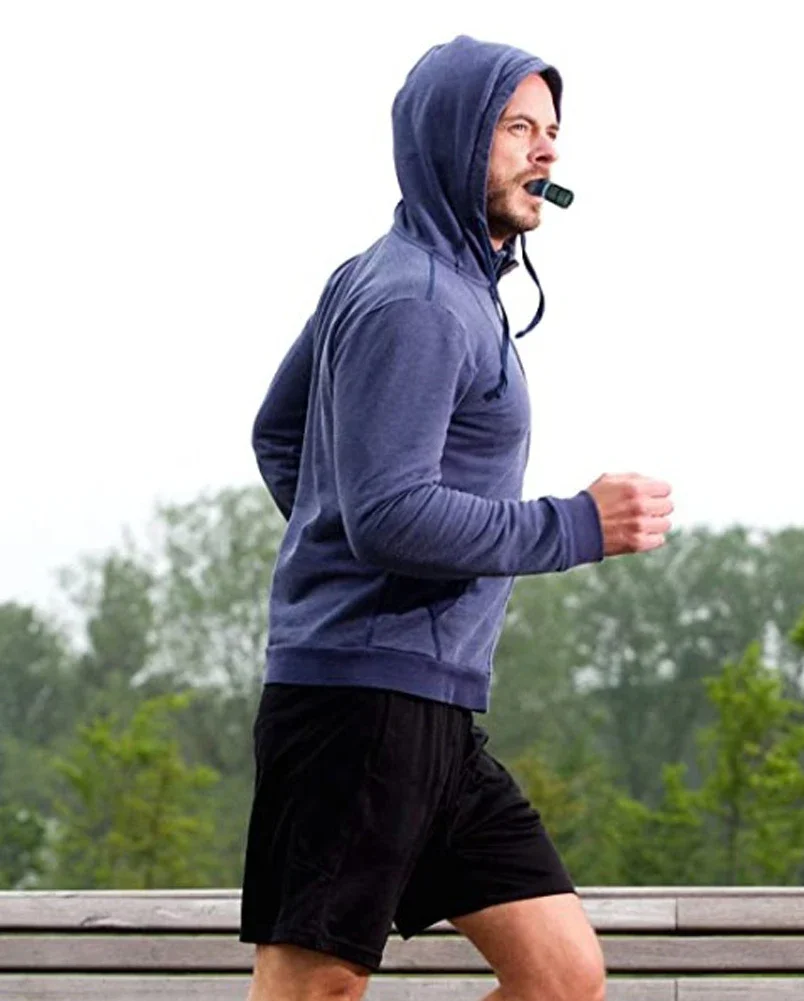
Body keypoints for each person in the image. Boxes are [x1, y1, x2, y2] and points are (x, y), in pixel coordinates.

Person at [240, 34, 673, 1001]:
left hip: (430, 705)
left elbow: (283, 437)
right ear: (450, 137)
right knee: (315, 987)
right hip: (356, 702)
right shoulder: (416, 299)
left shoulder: (424, 281)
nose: (546, 152)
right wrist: (575, 526)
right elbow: (385, 513)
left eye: (552, 131)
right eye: (516, 127)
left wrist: (342, 529)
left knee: (559, 976)